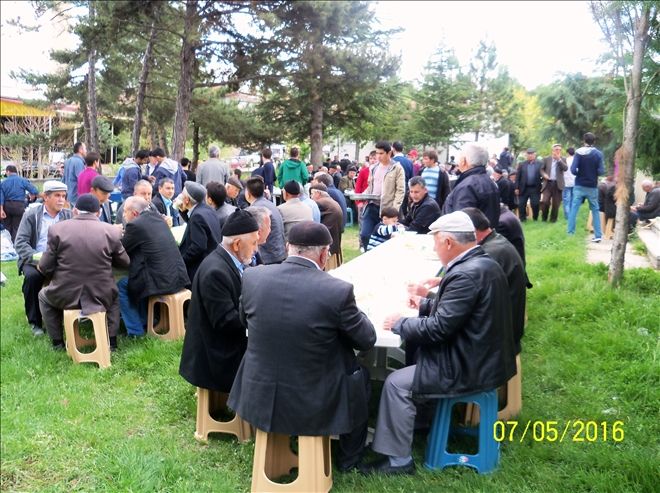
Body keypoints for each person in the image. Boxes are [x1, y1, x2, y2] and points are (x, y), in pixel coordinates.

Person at [361, 211, 516, 475]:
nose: (435, 249)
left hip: (469, 366)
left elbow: (438, 328)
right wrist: (425, 304)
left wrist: (399, 323)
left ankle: (398, 461)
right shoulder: (482, 263)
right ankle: (421, 420)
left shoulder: (466, 274)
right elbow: (460, 311)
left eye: (435, 243)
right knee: (413, 349)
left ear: (448, 242)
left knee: (396, 383)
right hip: (483, 356)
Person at [228, 221, 376, 472]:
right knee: (360, 377)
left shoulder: (253, 277)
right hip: (313, 397)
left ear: (288, 247)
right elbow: (366, 339)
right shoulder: (337, 291)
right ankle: (349, 459)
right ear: (324, 254)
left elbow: (245, 320)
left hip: (259, 388)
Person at [179, 210, 260, 394]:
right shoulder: (215, 272)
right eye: (254, 243)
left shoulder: (227, 261)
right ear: (237, 244)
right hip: (215, 357)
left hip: (223, 343)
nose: (256, 249)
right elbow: (226, 322)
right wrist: (259, 318)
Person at [37, 194, 130, 351]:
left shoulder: (57, 230)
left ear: (74, 210)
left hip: (65, 294)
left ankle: (58, 343)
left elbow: (45, 266)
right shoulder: (111, 231)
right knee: (114, 296)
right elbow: (125, 262)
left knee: (43, 296)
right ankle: (112, 342)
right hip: (102, 294)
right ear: (98, 212)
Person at [119, 196, 190, 337]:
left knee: (121, 284)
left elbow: (121, 249)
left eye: (125, 212)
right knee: (135, 277)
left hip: (161, 281)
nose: (123, 216)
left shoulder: (135, 225)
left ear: (134, 213)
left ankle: (135, 331)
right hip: (179, 277)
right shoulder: (159, 219)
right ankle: (144, 321)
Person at [463, 207, 528, 354]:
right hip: (507, 324)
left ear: (472, 231)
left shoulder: (487, 255)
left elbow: (465, 303)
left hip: (500, 336)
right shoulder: (496, 241)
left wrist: (428, 298)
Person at [14, 180, 72, 336]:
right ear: (46, 197)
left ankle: (70, 315)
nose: (61, 200)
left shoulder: (69, 215)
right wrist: (38, 258)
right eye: (57, 196)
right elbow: (20, 242)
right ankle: (35, 322)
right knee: (32, 278)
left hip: (61, 260)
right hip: (35, 259)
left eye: (63, 196)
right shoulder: (31, 215)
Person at [443, 142, 500, 229]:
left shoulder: (467, 187)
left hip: (470, 236)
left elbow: (461, 223)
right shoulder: (490, 182)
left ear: (464, 161)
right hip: (487, 234)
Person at [360, 141, 405, 250]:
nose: (378, 156)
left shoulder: (397, 168)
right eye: (377, 153)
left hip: (387, 209)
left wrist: (394, 210)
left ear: (389, 153)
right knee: (365, 234)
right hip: (371, 206)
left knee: (385, 238)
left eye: (381, 153)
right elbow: (370, 187)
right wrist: (361, 195)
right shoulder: (373, 168)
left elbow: (400, 191)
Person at [178, 181, 222, 282]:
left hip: (199, 269)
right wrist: (183, 211)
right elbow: (195, 225)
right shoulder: (207, 209)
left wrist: (181, 261)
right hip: (213, 261)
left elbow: (198, 247)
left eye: (182, 194)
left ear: (186, 200)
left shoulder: (197, 216)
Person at [567, 132, 605, 242]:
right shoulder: (598, 154)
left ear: (584, 141)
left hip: (579, 185)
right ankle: (598, 235)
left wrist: (580, 173)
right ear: (594, 141)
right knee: (595, 210)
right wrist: (593, 172)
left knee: (574, 209)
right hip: (592, 186)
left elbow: (573, 170)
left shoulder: (578, 153)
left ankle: (570, 233)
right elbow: (601, 171)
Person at [244, 177, 286, 264]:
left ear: (248, 193)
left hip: (267, 257)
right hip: (280, 252)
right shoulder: (270, 204)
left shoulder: (255, 210)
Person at [1, 164, 38, 241]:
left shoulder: (3, 182)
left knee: (7, 228)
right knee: (17, 227)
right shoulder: (23, 180)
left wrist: (1, 209)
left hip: (7, 206)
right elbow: (34, 190)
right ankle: (16, 244)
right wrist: (32, 195)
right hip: (19, 206)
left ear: (8, 172)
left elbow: (1, 198)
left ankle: (8, 244)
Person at [310, 184, 343, 270]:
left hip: (326, 241)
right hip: (335, 240)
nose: (311, 197)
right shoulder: (331, 201)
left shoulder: (320, 203)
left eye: (312, 194)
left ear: (318, 193)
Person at [540, 144, 568, 223]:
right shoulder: (546, 159)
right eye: (556, 149)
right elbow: (541, 169)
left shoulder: (563, 159)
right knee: (545, 201)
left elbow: (565, 168)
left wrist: (559, 160)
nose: (558, 151)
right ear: (552, 151)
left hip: (557, 184)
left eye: (559, 150)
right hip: (548, 183)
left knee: (556, 203)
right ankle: (544, 218)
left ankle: (553, 219)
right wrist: (544, 175)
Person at [515, 148, 543, 222]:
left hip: (535, 188)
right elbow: (517, 177)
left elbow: (543, 175)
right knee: (521, 204)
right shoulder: (522, 164)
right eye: (528, 154)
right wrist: (516, 188)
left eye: (532, 154)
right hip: (523, 188)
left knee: (535, 204)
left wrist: (543, 185)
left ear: (535, 155)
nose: (530, 155)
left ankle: (535, 218)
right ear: (526, 155)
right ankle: (522, 219)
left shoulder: (540, 164)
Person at [562, 147, 576, 219]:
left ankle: (567, 216)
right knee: (573, 200)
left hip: (566, 182)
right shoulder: (576, 160)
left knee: (566, 200)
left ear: (567, 153)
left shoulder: (565, 160)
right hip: (575, 182)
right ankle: (572, 214)